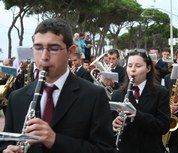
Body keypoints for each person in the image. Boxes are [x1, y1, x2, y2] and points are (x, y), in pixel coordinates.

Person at [0, 18, 115, 153]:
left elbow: (106, 150)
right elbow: (6, 143)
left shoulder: (94, 96)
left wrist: (55, 140)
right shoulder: (17, 97)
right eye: (38, 48)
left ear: (70, 52)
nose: (44, 57)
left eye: (53, 49)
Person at [112, 48, 170, 153]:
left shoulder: (161, 93)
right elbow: (107, 126)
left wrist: (137, 115)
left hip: (151, 148)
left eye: (138, 66)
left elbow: (163, 126)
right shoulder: (117, 94)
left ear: (148, 68)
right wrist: (113, 125)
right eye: (129, 66)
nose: (133, 70)